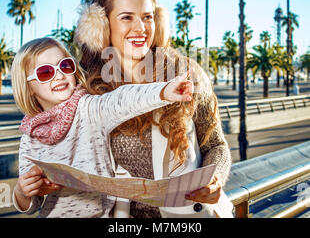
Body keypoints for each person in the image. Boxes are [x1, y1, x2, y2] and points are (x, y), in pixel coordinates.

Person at [75, 0, 232, 218]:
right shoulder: (86, 90)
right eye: (127, 17)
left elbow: (215, 145)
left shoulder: (187, 74)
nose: (141, 28)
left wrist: (215, 177)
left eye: (147, 17)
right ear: (102, 27)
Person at [11, 37, 193, 218]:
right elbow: (32, 204)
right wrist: (21, 192)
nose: (59, 75)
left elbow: (122, 99)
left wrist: (164, 91)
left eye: (65, 66)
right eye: (45, 72)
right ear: (29, 87)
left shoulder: (89, 108)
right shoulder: (30, 136)